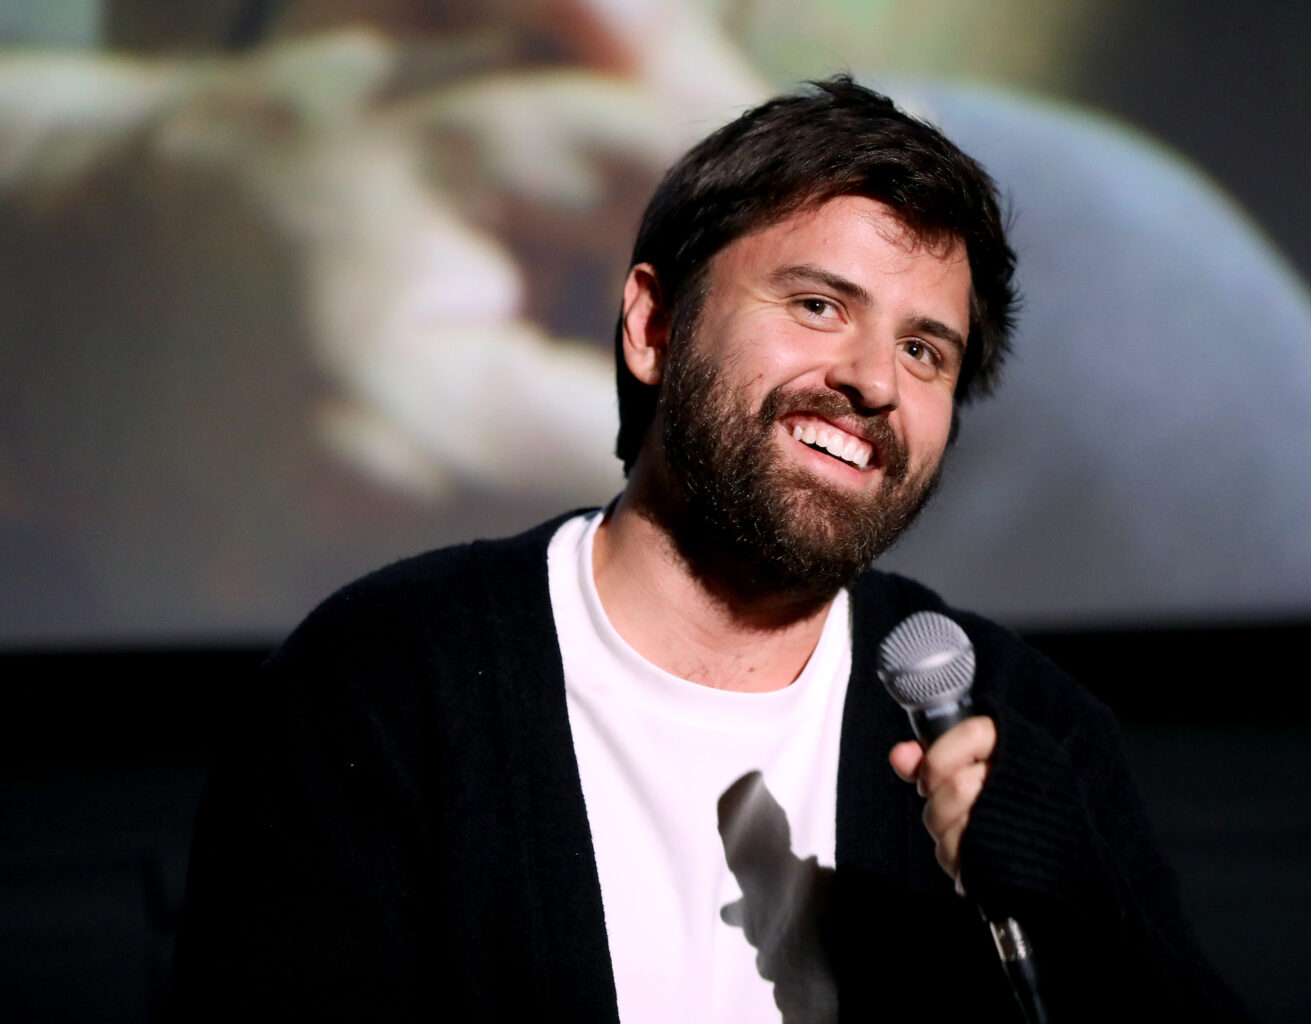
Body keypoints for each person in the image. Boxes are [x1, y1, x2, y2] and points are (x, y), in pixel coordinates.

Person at [171, 77, 1247, 1021]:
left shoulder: (1018, 726)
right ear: (654, 327)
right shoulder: (386, 684)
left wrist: (1089, 934)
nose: (874, 380)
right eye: (819, 304)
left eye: (926, 351)